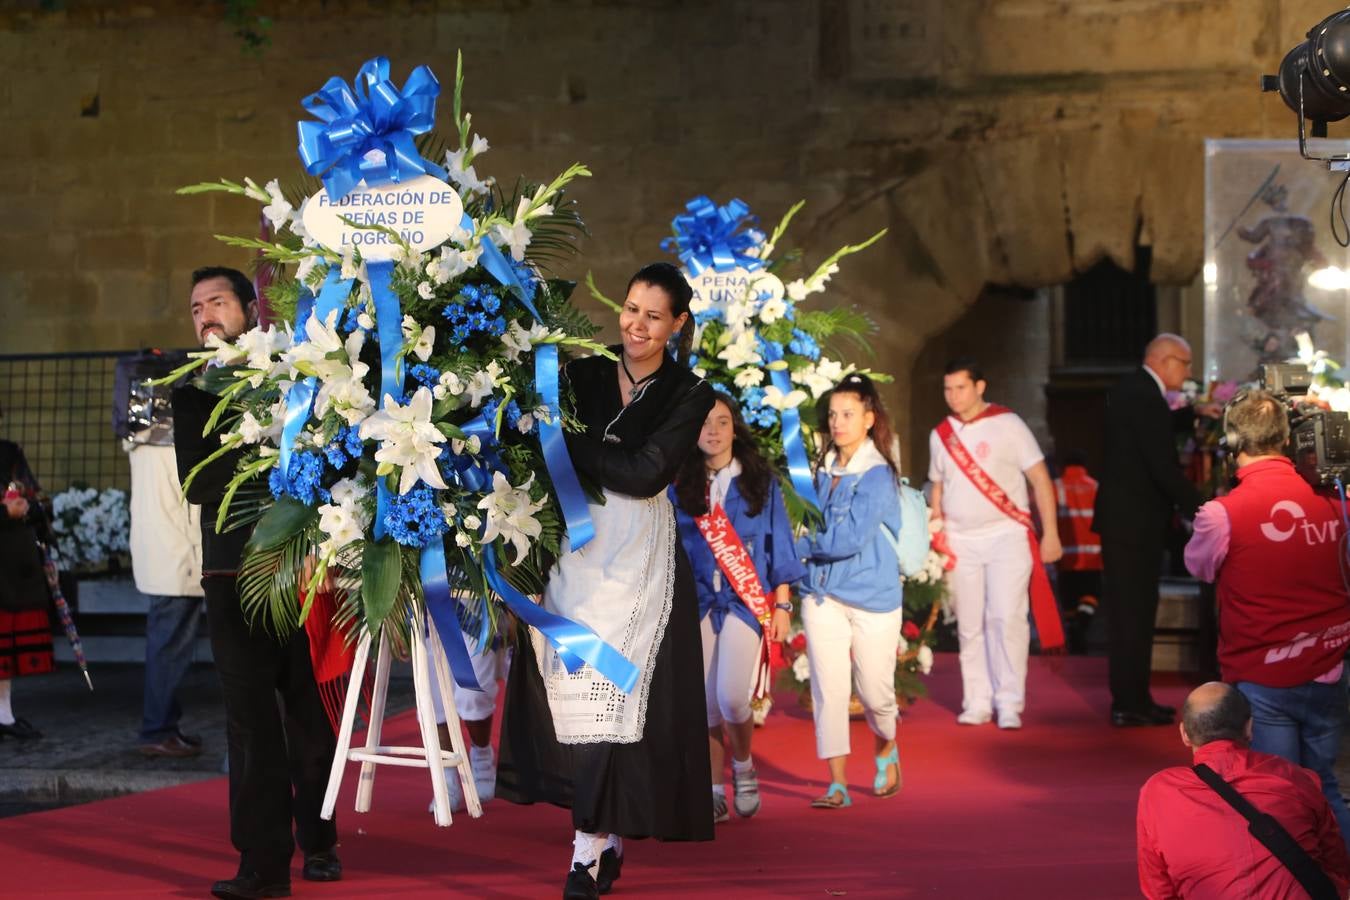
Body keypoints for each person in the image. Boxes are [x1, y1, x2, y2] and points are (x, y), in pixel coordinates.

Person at [496, 261, 716, 900]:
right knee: (576, 698)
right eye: (629, 309)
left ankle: (585, 852)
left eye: (653, 315)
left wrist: (560, 443)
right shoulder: (583, 371)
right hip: (571, 548)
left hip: (639, 559)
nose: (636, 325)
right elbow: (535, 442)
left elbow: (648, 473)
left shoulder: (689, 391)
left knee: (615, 701)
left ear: (676, 324)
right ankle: (603, 835)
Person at [172, 266, 342, 900]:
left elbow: (328, 461)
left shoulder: (293, 375)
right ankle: (263, 864)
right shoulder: (189, 391)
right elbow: (198, 482)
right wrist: (274, 466)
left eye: (218, 301)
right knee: (248, 725)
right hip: (229, 575)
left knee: (310, 715)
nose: (206, 314)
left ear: (250, 307)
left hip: (302, 569)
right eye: (195, 307)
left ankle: (321, 841)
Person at [1183, 389, 1350, 847]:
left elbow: (1199, 567)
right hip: (1332, 667)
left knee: (1276, 796)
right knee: (1325, 787)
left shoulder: (1222, 514)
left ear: (1233, 439)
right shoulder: (1338, 501)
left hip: (1265, 673)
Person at [671, 394, 804, 824]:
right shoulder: (679, 485)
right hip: (699, 602)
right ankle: (714, 788)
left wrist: (782, 603)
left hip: (746, 602)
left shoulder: (759, 481)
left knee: (731, 695)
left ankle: (743, 765)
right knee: (707, 703)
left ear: (735, 428)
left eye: (722, 422)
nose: (713, 430)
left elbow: (778, 544)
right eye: (705, 422)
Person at [927, 358, 1061, 730]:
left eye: (961, 388)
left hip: (1007, 534)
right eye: (948, 389)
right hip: (961, 539)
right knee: (969, 624)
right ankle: (976, 701)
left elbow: (1040, 478)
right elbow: (937, 485)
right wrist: (937, 530)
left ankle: (1009, 701)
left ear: (980, 387)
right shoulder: (941, 434)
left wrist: (1051, 532)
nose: (953, 396)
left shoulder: (1009, 424)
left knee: (1006, 617)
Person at [1137, 682, 1350, 899]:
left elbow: (1159, 889)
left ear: (1184, 734)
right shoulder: (1296, 778)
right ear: (1249, 728)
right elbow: (1336, 864)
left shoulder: (1158, 792)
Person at [799, 373, 904, 810]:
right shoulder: (818, 470)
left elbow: (847, 540)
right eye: (833, 415)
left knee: (876, 692)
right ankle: (837, 783)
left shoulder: (878, 474)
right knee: (829, 688)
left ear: (868, 418)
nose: (838, 422)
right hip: (821, 593)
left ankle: (886, 745)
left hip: (873, 594)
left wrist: (799, 545)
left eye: (848, 414)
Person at [1095, 334, 1202, 727]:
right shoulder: (1144, 395)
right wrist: (1205, 508)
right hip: (1132, 525)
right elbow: (1162, 466)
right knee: (1132, 616)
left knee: (1135, 614)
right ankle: (1128, 702)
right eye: (1185, 364)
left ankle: (1135, 697)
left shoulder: (1135, 391)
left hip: (1129, 522)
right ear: (1163, 360)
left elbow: (1149, 434)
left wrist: (1192, 416)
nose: (1188, 373)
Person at [124, 370, 207, 758]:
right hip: (180, 557)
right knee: (169, 650)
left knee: (165, 647)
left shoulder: (139, 441)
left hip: (158, 556)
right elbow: (189, 505)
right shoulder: (171, 445)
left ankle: (162, 725)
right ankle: (157, 728)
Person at [0, 431, 54, 740]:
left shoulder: (9, 454)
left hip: (12, 568)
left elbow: (39, 502)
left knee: (4, 651)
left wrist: (27, 509)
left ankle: (4, 714)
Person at [428, 626, 507, 813]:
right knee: (435, 699)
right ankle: (446, 778)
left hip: (475, 610)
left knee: (473, 694)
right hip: (425, 615)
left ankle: (482, 756)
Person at [1053, 449, 1102, 654]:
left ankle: (1075, 626)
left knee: (1068, 599)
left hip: (1065, 557)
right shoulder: (1095, 487)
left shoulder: (1056, 487)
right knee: (1091, 595)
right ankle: (1082, 622)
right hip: (1093, 557)